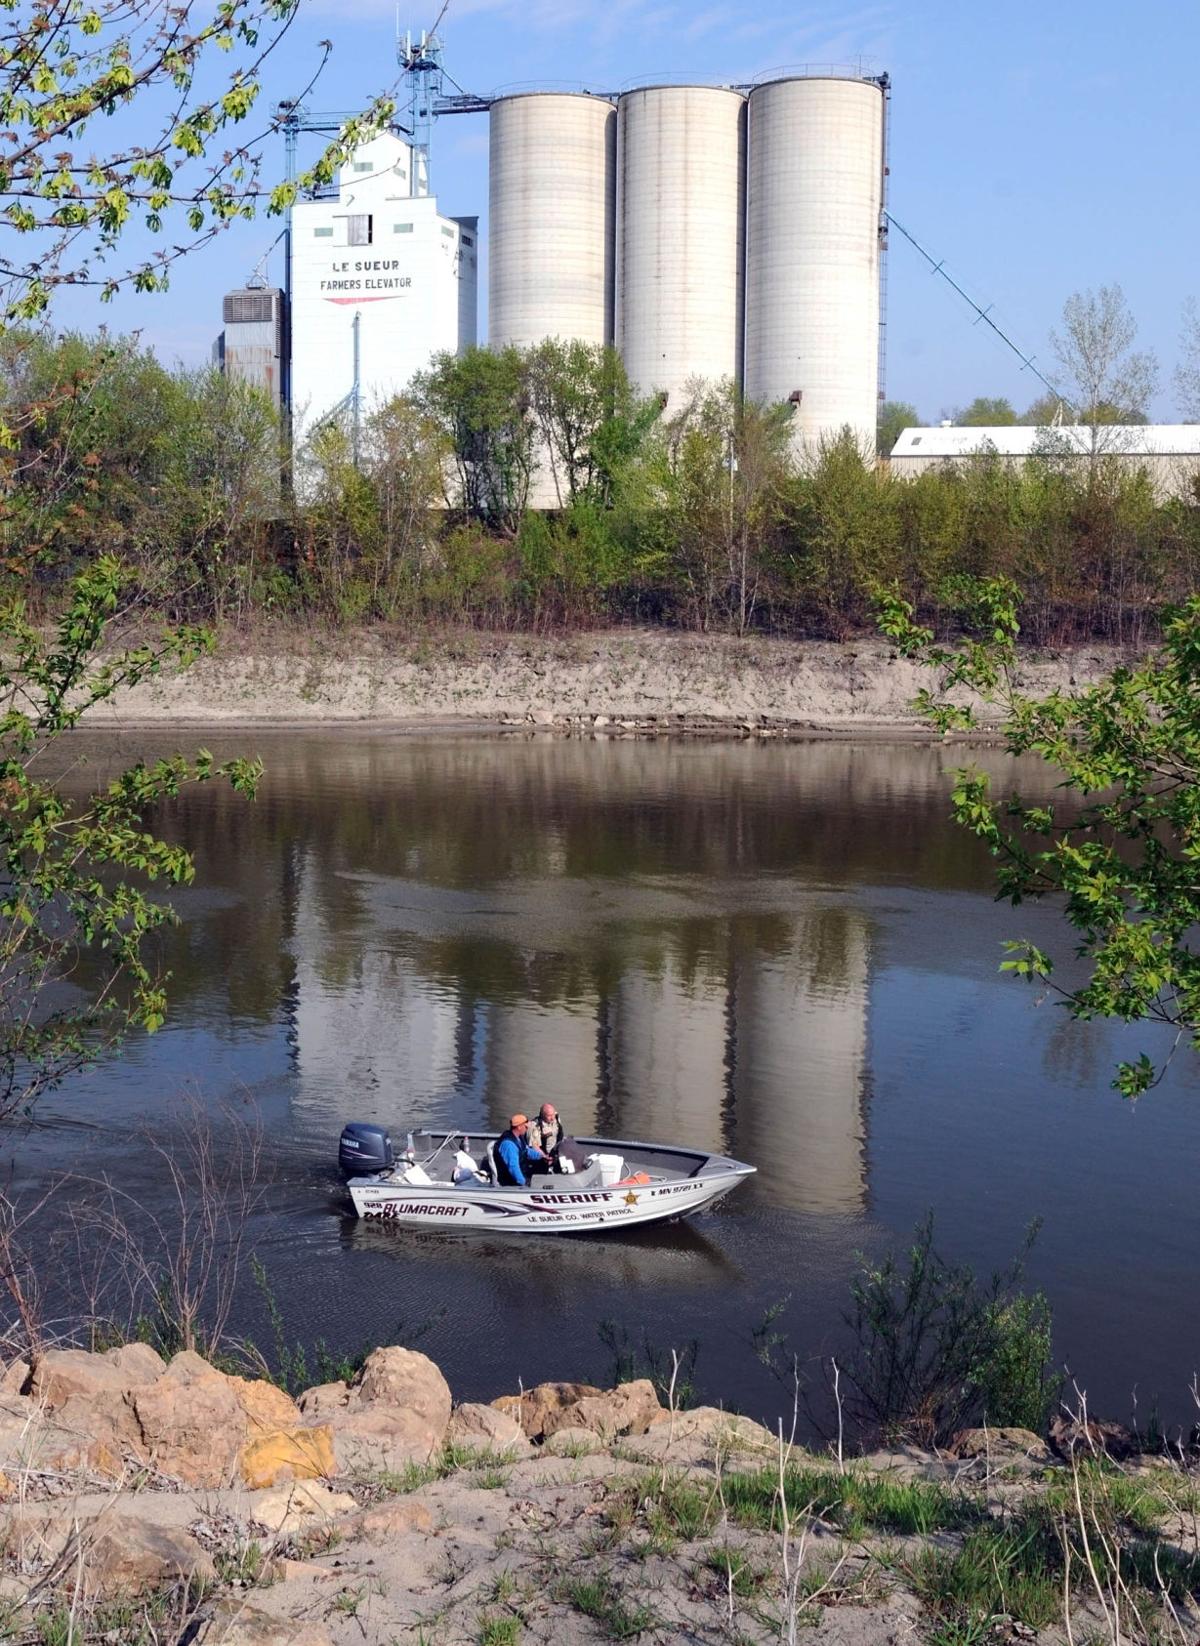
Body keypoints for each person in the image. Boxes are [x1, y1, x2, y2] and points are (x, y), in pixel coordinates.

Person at [494, 1113, 547, 1187]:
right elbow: (513, 1167)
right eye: (526, 1126)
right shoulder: (509, 1145)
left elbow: (526, 1151)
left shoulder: (519, 1138)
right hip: (511, 1182)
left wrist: (542, 1156)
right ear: (519, 1127)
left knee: (543, 1165)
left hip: (524, 1172)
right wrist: (524, 1183)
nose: (527, 1128)